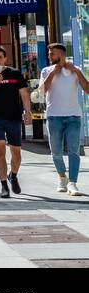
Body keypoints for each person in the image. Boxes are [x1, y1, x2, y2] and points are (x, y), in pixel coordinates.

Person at [0, 45, 33, 199]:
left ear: (5, 59)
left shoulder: (15, 73)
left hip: (14, 117)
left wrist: (27, 112)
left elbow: (24, 93)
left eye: (0, 57)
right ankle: (3, 185)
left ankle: (13, 175)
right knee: (0, 151)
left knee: (16, 153)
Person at [40, 43, 89, 196]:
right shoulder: (46, 71)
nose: (49, 56)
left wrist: (76, 71)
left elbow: (87, 89)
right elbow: (42, 91)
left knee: (74, 152)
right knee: (56, 152)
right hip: (54, 116)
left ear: (61, 54)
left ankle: (72, 183)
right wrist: (53, 72)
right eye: (49, 53)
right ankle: (62, 177)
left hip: (73, 116)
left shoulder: (76, 70)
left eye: (52, 53)